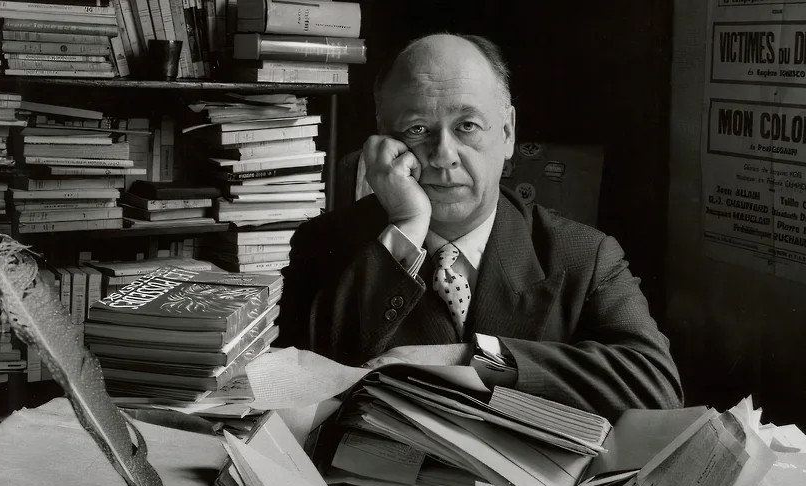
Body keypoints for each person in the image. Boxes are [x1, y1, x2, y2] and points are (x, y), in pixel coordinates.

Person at [279, 33, 682, 421]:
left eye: (467, 126)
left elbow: (655, 388)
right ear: (385, 141)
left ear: (507, 133)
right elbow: (304, 389)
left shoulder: (584, 255)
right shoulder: (321, 243)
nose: (444, 156)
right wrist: (407, 225)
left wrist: (471, 357)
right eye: (417, 129)